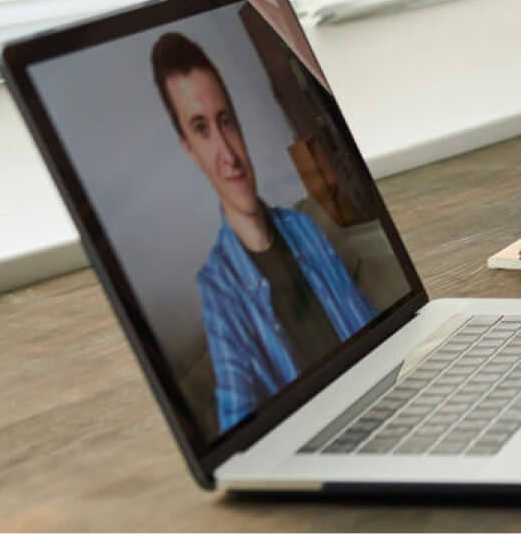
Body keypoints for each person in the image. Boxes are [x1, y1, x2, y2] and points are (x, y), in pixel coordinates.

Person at [154, 30, 375, 431]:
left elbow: (371, 330)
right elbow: (237, 419)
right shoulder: (218, 290)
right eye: (202, 129)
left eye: (226, 122)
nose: (227, 153)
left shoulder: (304, 228)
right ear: (189, 148)